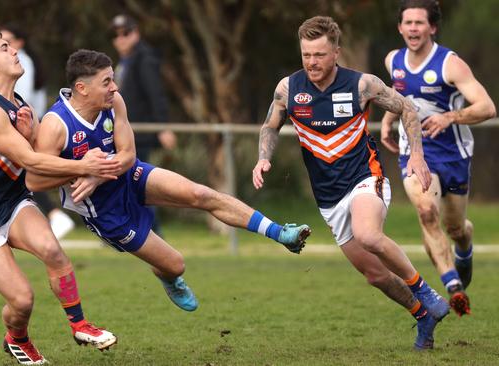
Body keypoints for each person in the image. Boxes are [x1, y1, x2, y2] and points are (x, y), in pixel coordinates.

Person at [25, 49, 311, 314]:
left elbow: (128, 155)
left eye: (113, 79)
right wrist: (82, 170)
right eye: (106, 82)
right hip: (105, 212)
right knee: (175, 264)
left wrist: (97, 173)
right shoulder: (55, 125)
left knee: (200, 194)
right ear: (82, 88)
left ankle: (279, 233)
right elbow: (35, 181)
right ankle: (168, 277)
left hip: (128, 176)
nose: (115, 87)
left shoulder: (114, 104)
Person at [252, 16, 450, 350]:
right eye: (306, 55)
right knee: (375, 275)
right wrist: (263, 156)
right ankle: (422, 314)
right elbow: (270, 125)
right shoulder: (288, 88)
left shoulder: (362, 85)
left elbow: (408, 110)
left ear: (336, 53)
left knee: (368, 234)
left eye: (320, 55)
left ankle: (423, 290)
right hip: (328, 198)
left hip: (365, 178)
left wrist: (417, 155)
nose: (312, 62)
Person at [0, 28, 120, 364]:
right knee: (22, 301)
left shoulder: (19, 104)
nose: (14, 51)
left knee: (51, 250)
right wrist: (82, 166)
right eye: (4, 48)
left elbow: (34, 156)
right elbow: (30, 160)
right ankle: (17, 338)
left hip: (14, 203)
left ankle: (80, 325)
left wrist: (32, 135)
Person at [380, 0, 496, 317]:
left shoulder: (450, 64)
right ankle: (453, 287)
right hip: (415, 154)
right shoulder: (394, 60)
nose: (413, 29)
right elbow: (398, 92)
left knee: (455, 227)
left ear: (432, 27)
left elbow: (487, 107)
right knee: (426, 211)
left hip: (453, 155)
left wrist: (449, 117)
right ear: (400, 28)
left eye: (420, 23)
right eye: (408, 23)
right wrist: (389, 120)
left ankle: (464, 246)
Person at [0, 23, 76, 240]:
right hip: (32, 122)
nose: (5, 45)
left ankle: (54, 215)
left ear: (20, 42)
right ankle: (53, 215)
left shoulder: (20, 63)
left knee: (29, 170)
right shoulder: (25, 62)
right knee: (28, 171)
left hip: (27, 123)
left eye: (8, 40)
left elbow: (17, 102)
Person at [110, 14, 177, 236]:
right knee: (130, 182)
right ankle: (142, 230)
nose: (120, 39)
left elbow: (155, 94)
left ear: (135, 33)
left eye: (125, 34)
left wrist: (163, 127)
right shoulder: (124, 61)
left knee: (139, 181)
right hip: (127, 131)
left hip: (140, 132)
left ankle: (151, 231)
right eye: (116, 35)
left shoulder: (144, 58)